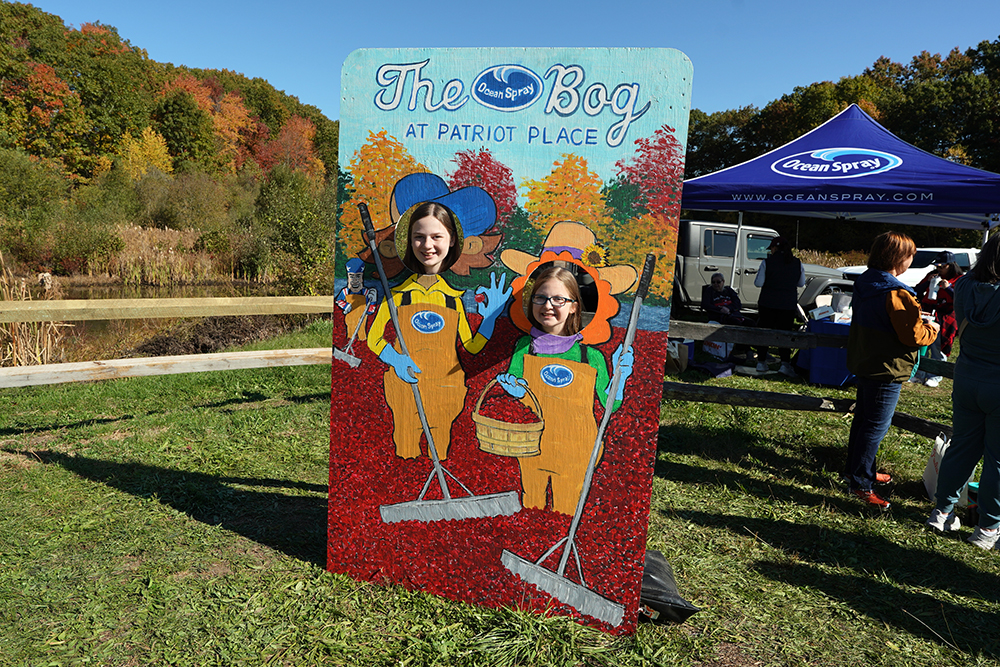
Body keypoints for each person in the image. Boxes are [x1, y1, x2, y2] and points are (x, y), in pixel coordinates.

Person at [367, 201, 510, 461]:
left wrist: (490, 318)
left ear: (452, 240)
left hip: (446, 390)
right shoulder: (397, 295)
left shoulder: (453, 299)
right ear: (409, 241)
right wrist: (395, 359)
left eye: (436, 237)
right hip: (405, 389)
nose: (427, 245)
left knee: (440, 451)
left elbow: (471, 347)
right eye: (419, 237)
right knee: (405, 451)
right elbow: (373, 338)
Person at [494, 266, 633, 515]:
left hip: (576, 451)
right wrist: (515, 393)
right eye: (540, 297)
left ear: (573, 307)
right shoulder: (524, 348)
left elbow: (610, 404)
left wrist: (620, 378)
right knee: (531, 506)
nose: (548, 305)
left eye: (558, 299)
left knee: (567, 510)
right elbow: (516, 391)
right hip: (533, 448)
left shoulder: (590, 357)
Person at [845, 231, 939, 509]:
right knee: (875, 426)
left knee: (863, 421)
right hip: (887, 367)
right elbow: (912, 336)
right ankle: (860, 484)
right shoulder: (896, 292)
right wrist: (932, 329)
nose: (911, 261)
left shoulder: (865, 282)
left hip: (866, 360)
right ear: (899, 258)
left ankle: (858, 471)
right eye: (910, 256)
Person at [926, 233, 1000, 548]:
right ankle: (987, 528)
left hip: (967, 377)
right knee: (997, 460)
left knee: (962, 448)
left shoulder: (966, 286)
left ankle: (942, 511)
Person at [753, 236, 804, 377]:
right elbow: (801, 283)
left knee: (765, 332)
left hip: (768, 303)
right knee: (785, 334)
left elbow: (758, 283)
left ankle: (761, 362)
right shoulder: (797, 263)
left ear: (775, 248)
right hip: (787, 304)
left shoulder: (767, 262)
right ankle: (785, 364)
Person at [912, 259, 964, 387]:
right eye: (937, 266)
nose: (939, 269)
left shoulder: (959, 279)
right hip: (929, 312)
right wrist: (928, 282)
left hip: (946, 316)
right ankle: (919, 374)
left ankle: (935, 376)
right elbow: (917, 290)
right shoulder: (933, 275)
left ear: (950, 265)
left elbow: (961, 299)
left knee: (939, 346)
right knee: (923, 344)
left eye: (942, 266)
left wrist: (948, 288)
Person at [701, 272, 755, 364]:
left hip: (734, 314)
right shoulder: (709, 291)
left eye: (718, 282)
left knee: (751, 323)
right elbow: (705, 305)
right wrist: (720, 309)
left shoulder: (729, 290)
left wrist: (729, 308)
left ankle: (755, 348)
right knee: (737, 325)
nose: (716, 284)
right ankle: (748, 350)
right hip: (720, 316)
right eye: (713, 282)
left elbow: (738, 304)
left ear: (723, 282)